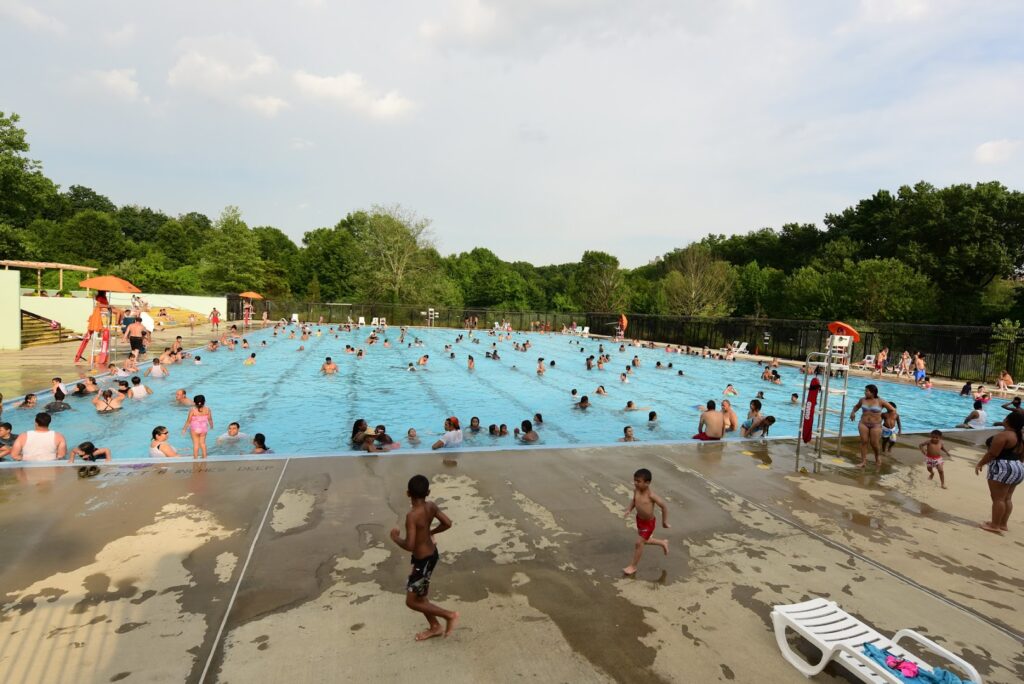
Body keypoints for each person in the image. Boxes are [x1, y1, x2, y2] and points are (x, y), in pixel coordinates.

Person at [389, 474, 458, 640]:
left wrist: (395, 538)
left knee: (411, 601)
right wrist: (430, 531)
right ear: (428, 492)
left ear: (408, 493)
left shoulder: (412, 516)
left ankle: (448, 615)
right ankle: (435, 626)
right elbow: (447, 523)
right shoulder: (431, 506)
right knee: (420, 595)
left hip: (423, 561)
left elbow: (410, 545)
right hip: (432, 555)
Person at [974, 412, 1024, 533]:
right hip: (1018, 466)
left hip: (1002, 467)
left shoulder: (1004, 435)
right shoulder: (1020, 436)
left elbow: (992, 453)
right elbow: (1022, 455)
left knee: (998, 498)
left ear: (1007, 420)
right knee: (1007, 498)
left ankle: (995, 525)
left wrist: (980, 463)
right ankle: (1002, 524)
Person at [622, 468, 669, 575]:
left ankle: (633, 567)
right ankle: (663, 542)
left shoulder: (651, 496)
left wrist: (664, 522)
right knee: (646, 540)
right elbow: (634, 500)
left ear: (647, 483)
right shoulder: (636, 491)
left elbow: (664, 507)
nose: (635, 483)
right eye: (635, 480)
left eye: (638, 481)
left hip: (649, 523)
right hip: (639, 520)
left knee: (639, 543)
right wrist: (629, 509)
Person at [849, 385, 895, 469]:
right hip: (863, 423)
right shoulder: (862, 400)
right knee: (864, 442)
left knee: (874, 443)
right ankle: (863, 461)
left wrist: (887, 418)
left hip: (876, 425)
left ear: (873, 392)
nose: (865, 392)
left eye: (867, 391)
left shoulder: (881, 401)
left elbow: (892, 410)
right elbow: (856, 406)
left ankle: (877, 457)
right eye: (865, 391)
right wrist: (853, 412)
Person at [182, 394, 213, 459]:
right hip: (204, 428)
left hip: (195, 428)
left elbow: (188, 421)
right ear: (204, 401)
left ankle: (195, 458)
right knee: (202, 443)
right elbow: (210, 419)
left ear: (194, 403)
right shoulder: (208, 409)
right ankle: (205, 456)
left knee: (196, 444)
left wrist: (184, 429)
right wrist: (211, 426)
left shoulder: (193, 410)